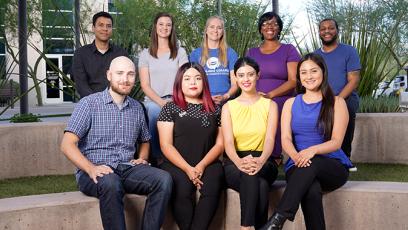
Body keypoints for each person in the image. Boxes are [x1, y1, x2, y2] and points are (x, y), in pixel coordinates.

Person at [60, 56, 172, 230]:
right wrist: (91, 168)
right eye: (119, 73)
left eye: (130, 74)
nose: (125, 79)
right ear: (109, 75)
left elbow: (145, 140)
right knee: (111, 183)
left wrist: (142, 158)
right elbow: (67, 144)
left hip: (127, 168)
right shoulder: (89, 104)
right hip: (95, 171)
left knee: (163, 180)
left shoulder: (136, 108)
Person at [262, 53, 353, 230]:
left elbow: (336, 142)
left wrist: (312, 151)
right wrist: (296, 156)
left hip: (331, 166)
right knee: (310, 190)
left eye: (313, 71)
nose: (309, 76)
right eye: (303, 72)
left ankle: (277, 219)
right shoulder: (290, 103)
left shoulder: (337, 102)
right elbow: (286, 138)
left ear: (323, 73)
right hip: (297, 164)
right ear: (299, 77)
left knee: (314, 161)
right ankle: (277, 222)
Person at [157, 62, 224, 230]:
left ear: (204, 82)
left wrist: (201, 166)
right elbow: (166, 145)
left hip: (208, 162)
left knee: (213, 186)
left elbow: (220, 144)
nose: (192, 83)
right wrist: (187, 168)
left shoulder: (215, 109)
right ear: (179, 83)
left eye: (197, 78)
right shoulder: (170, 108)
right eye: (187, 79)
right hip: (177, 163)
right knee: (182, 188)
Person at [222, 57, 279, 230]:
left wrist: (260, 160)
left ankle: (245, 227)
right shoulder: (228, 107)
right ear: (236, 78)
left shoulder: (270, 105)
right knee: (258, 183)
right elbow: (228, 142)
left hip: (264, 160)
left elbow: (270, 139)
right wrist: (240, 163)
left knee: (253, 173)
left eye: (250, 74)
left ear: (258, 76)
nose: (246, 79)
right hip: (234, 161)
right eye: (241, 75)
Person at [246, 12, 301, 163]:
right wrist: (255, 97)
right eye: (265, 24)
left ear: (279, 28)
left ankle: (275, 158)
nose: (269, 27)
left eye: (274, 24)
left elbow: (293, 81)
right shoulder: (251, 52)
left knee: (275, 109)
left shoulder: (289, 50)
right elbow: (246, 77)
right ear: (260, 29)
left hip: (281, 99)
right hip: (255, 99)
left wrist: (269, 95)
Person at [139, 12, 188, 166]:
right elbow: (145, 85)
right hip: (154, 100)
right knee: (154, 111)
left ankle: (183, 155)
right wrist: (161, 102)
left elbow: (184, 79)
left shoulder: (180, 52)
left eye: (168, 24)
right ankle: (159, 157)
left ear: (172, 28)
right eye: (161, 24)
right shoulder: (145, 54)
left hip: (177, 98)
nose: (164, 27)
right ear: (155, 27)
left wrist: (175, 100)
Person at [315, 18, 361, 171]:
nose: (327, 31)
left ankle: (345, 159)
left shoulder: (349, 51)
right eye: (323, 28)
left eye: (331, 28)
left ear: (337, 30)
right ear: (319, 32)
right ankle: (323, 157)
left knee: (344, 114)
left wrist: (337, 100)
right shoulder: (315, 55)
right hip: (321, 99)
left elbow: (354, 80)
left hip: (345, 98)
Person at [72, 11, 128, 98]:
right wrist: (97, 102)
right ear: (93, 28)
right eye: (101, 25)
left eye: (108, 26)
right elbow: (81, 84)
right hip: (90, 104)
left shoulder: (121, 54)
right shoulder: (81, 54)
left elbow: (125, 80)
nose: (105, 29)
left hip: (117, 102)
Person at [190, 15, 238, 104]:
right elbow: (193, 83)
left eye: (219, 28)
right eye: (212, 27)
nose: (215, 30)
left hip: (226, 101)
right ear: (206, 30)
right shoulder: (195, 54)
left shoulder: (231, 53)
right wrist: (205, 98)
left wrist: (225, 96)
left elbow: (235, 83)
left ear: (223, 31)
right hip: (203, 101)